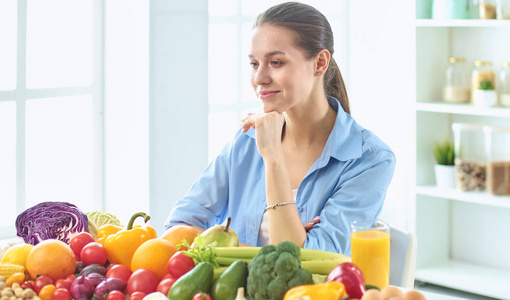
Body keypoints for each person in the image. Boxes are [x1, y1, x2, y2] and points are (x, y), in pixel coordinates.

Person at [165, 2, 395, 255]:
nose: (259, 78)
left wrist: (273, 156)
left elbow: (310, 262)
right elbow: (178, 228)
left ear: (319, 62)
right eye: (254, 64)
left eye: (275, 62)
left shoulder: (369, 159)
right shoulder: (247, 140)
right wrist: (265, 250)